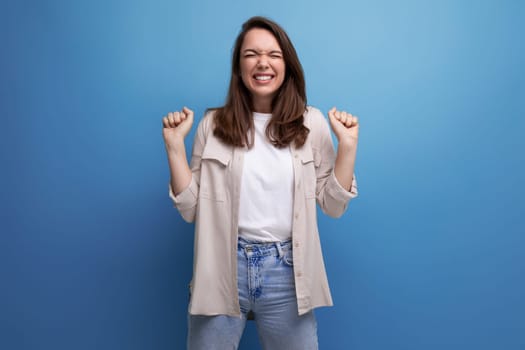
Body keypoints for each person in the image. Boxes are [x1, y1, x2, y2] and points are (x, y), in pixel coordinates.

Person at [162, 16, 359, 350]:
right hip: (222, 268)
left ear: (287, 65)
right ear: (239, 67)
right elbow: (191, 210)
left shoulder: (312, 123)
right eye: (251, 54)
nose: (262, 63)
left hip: (287, 274)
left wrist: (348, 147)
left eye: (274, 55)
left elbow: (333, 205)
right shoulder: (213, 124)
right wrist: (174, 146)